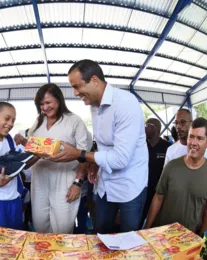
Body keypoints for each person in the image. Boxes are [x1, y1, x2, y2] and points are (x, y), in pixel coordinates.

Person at [50, 59, 148, 234]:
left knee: (128, 237)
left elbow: (120, 159)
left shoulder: (125, 103)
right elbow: (103, 144)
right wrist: (94, 163)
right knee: (101, 233)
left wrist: (79, 154)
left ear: (94, 80)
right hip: (105, 184)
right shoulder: (94, 106)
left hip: (130, 186)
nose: (74, 93)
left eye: (77, 86)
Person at [14, 83, 90, 234]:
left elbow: (84, 155)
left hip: (65, 182)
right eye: (41, 104)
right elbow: (35, 152)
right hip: (40, 180)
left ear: (59, 100)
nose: (45, 107)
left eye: (48, 102)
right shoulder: (38, 122)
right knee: (40, 225)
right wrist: (24, 145)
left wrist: (78, 183)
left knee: (62, 229)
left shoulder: (74, 121)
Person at [145, 118, 207, 235]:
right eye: (191, 136)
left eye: (200, 138)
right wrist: (146, 229)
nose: (193, 142)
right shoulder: (171, 166)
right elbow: (158, 198)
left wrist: (200, 236)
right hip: (163, 234)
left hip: (189, 239)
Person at [140, 118, 170, 228]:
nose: (144, 128)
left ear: (155, 128)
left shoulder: (167, 147)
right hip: (142, 190)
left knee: (155, 224)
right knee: (138, 222)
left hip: (158, 193)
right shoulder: (142, 146)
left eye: (147, 125)